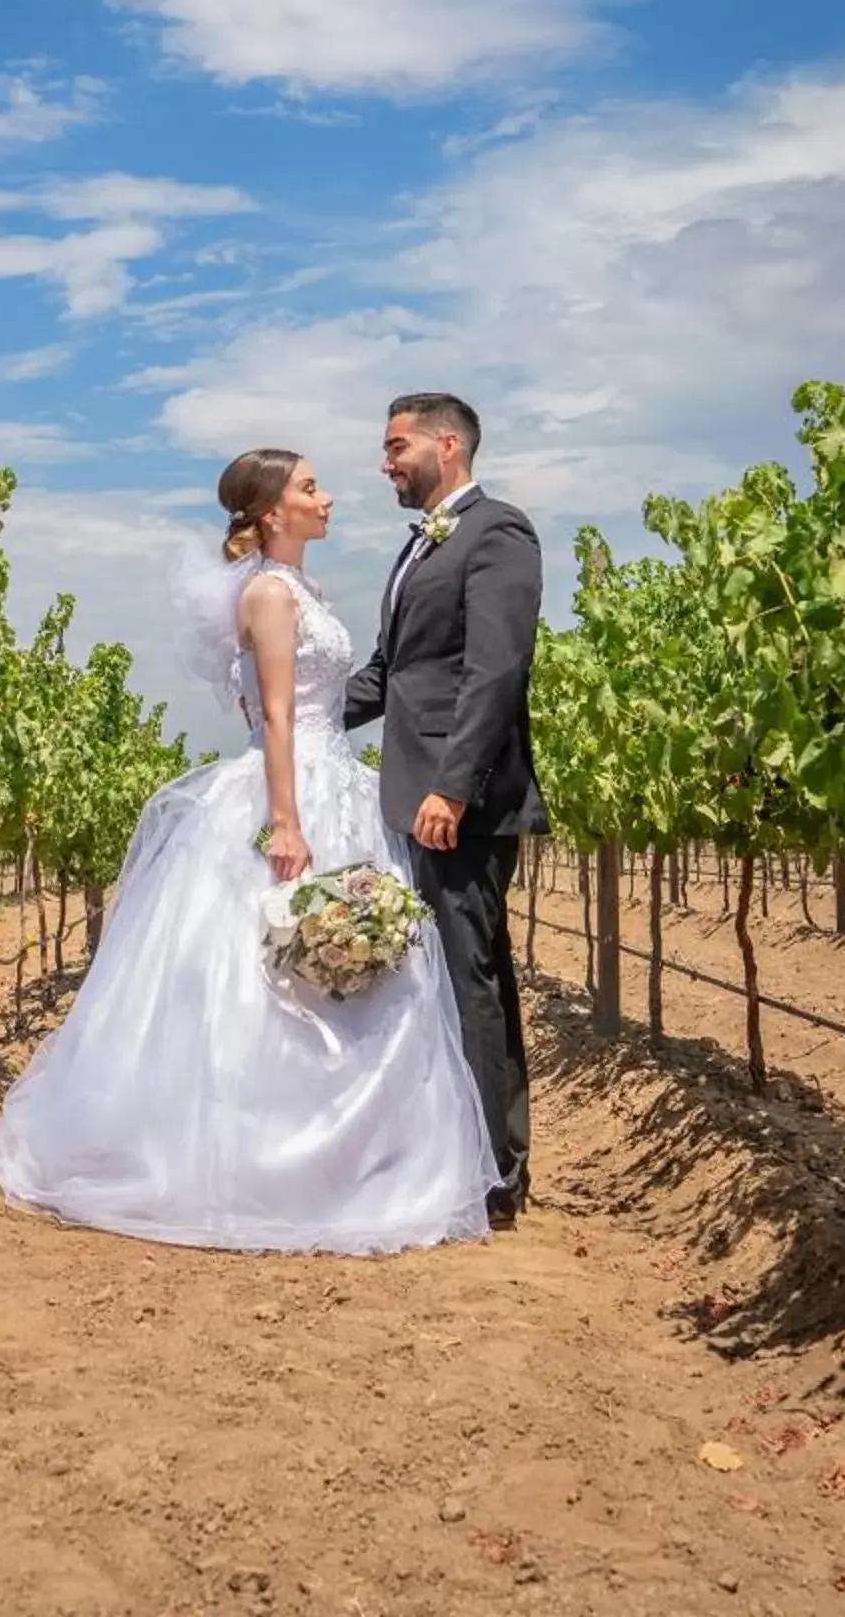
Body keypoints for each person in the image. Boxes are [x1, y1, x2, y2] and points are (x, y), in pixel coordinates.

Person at [0, 448, 499, 1255]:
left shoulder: (302, 589)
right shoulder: (266, 593)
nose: (326, 497)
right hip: (293, 787)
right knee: (271, 970)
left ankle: (357, 1162)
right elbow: (279, 717)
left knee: (351, 971)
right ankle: (257, 1163)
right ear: (271, 514)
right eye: (309, 487)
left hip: (338, 780)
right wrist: (287, 822)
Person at [345, 393, 544, 1226]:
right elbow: (394, 673)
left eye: (396, 445)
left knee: (469, 980)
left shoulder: (497, 531)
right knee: (434, 979)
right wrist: (288, 708)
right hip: (415, 793)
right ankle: (448, 1154)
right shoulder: (417, 547)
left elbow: (496, 671)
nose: (385, 461)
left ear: (448, 445)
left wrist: (453, 787)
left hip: (458, 801)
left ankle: (495, 1173)